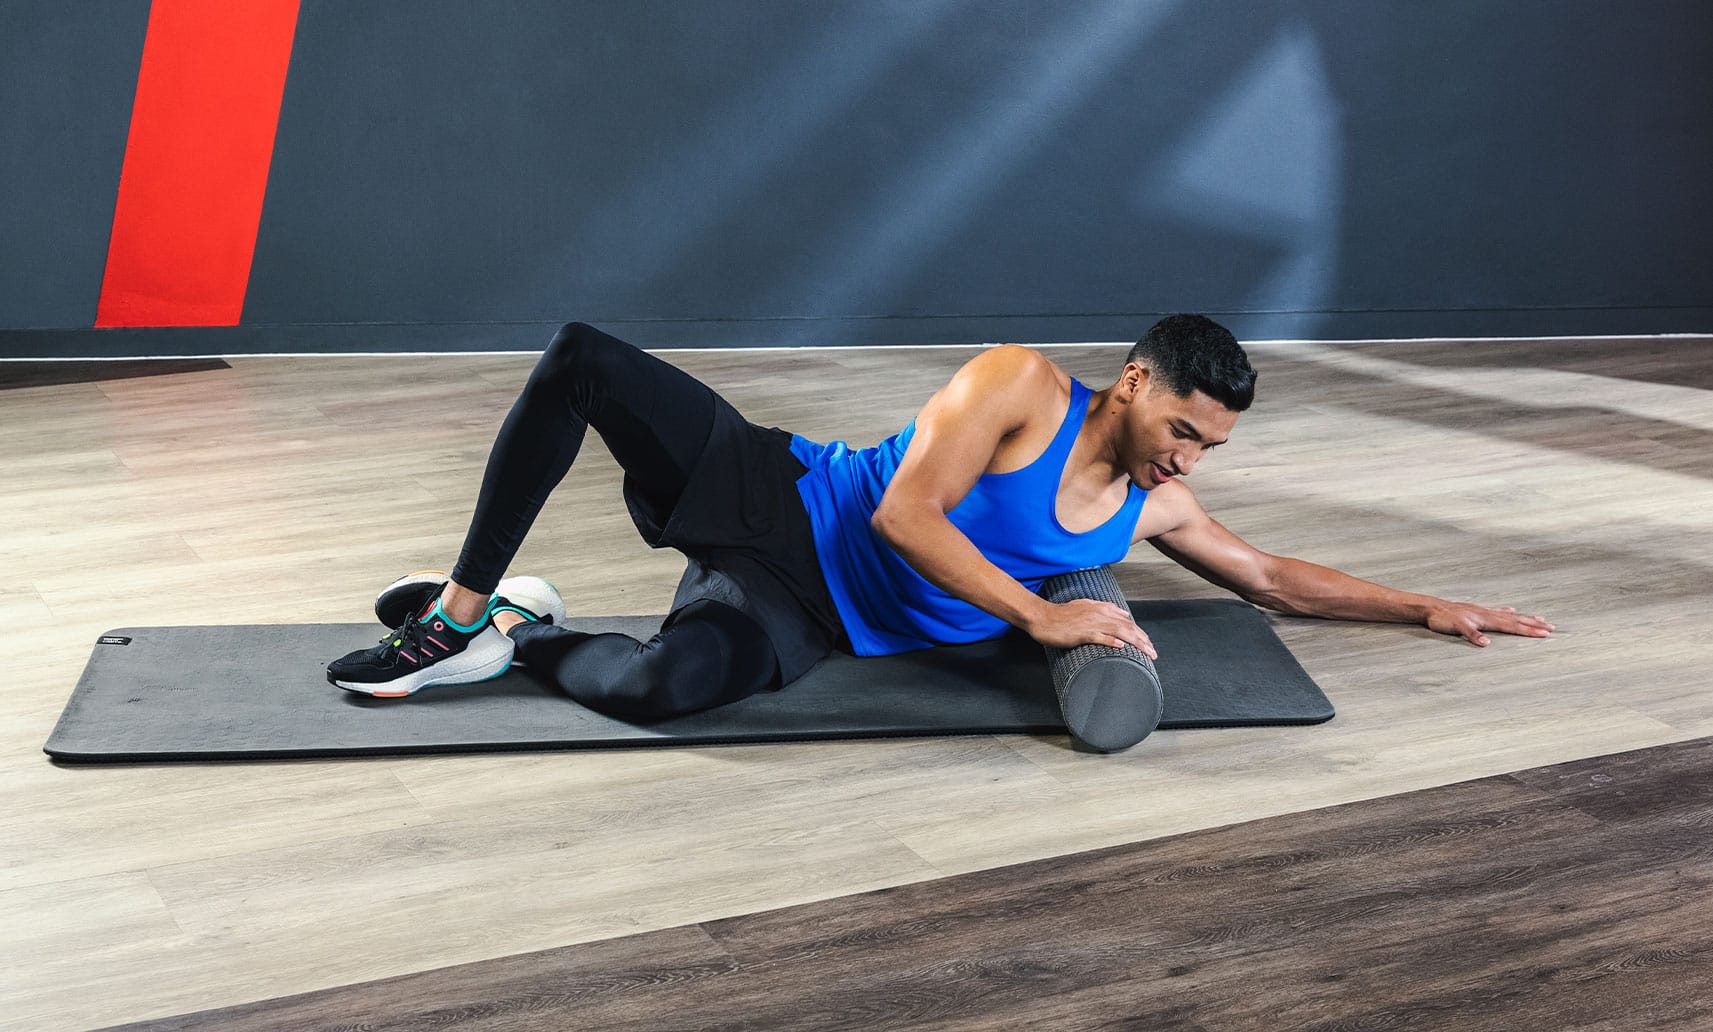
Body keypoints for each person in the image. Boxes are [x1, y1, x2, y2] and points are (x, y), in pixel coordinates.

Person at [326, 317, 1553, 715]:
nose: (1187, 460)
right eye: (1184, 429)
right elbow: (910, 515)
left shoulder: (1151, 506)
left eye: (1208, 447)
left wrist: (1425, 604)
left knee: (661, 691)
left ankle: (523, 635)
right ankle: (459, 609)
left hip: (806, 610)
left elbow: (1274, 576)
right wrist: (1041, 616)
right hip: (792, 493)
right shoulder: (1020, 385)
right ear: (1136, 383)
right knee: (586, 360)